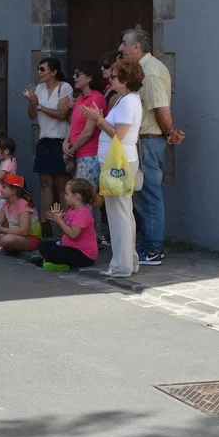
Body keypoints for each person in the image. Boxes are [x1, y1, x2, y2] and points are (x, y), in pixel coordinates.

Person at [118, 27, 186, 266]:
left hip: (149, 140)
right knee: (143, 195)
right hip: (145, 140)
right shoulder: (144, 69)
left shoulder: (151, 71)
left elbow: (161, 109)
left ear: (137, 46)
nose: (120, 48)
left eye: (124, 43)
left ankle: (153, 248)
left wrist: (168, 132)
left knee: (149, 195)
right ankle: (150, 245)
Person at [82, 58, 145, 278]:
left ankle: (121, 265)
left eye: (115, 76)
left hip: (118, 161)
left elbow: (119, 135)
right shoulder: (125, 100)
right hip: (118, 160)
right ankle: (128, 261)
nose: (111, 79)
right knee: (123, 212)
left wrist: (98, 120)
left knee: (119, 215)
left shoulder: (127, 102)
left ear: (125, 80)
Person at [23, 57, 73, 237]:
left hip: (60, 140)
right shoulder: (39, 89)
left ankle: (64, 225)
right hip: (44, 140)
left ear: (54, 72)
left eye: (43, 69)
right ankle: (45, 225)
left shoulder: (64, 88)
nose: (39, 72)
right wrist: (32, 102)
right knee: (45, 183)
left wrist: (39, 106)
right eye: (39, 69)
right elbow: (31, 115)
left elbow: (62, 113)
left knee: (62, 184)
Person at [63, 59, 108, 238]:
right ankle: (93, 236)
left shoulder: (96, 99)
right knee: (86, 197)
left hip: (90, 154)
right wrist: (65, 142)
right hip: (79, 153)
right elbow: (73, 125)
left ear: (89, 77)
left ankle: (86, 236)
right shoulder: (81, 98)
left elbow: (88, 132)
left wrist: (71, 148)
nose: (74, 77)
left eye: (78, 74)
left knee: (82, 197)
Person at [32, 178, 100, 271]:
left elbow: (73, 234)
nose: (64, 196)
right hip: (69, 248)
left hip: (84, 255)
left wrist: (59, 220)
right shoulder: (72, 210)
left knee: (55, 252)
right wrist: (58, 220)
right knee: (43, 245)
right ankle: (51, 261)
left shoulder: (83, 213)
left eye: (67, 194)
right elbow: (65, 230)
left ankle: (52, 262)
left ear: (77, 196)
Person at [0, 174, 42, 255]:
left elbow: (24, 231)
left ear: (13, 191)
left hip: (30, 239)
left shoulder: (23, 204)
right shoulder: (6, 203)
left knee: (7, 239)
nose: (1, 190)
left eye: (4, 187)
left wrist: (2, 230)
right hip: (12, 235)